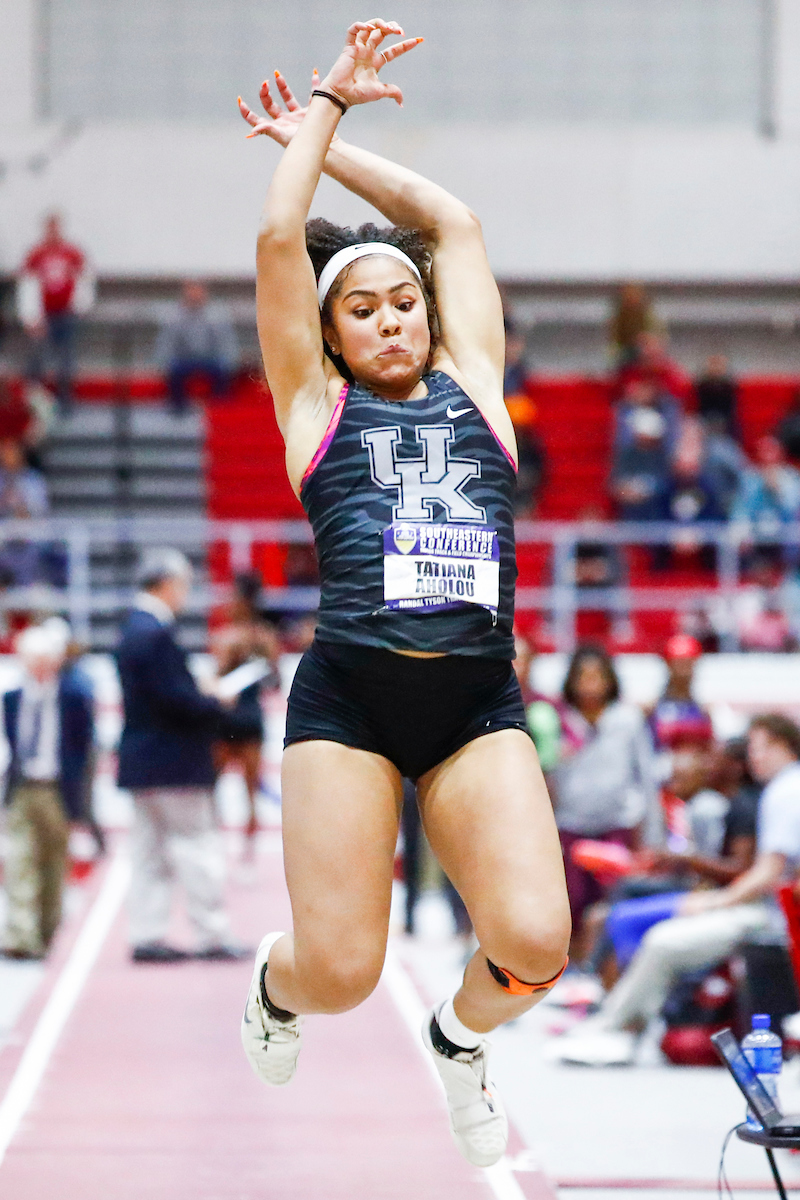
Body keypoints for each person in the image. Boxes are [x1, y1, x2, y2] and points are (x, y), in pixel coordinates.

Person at [236, 21, 570, 1169]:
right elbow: (281, 235)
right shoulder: (312, 411)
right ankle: (275, 992)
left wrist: (336, 149)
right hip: (351, 705)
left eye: (401, 299)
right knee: (339, 975)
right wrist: (322, 105)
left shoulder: (476, 387)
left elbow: (456, 225)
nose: (388, 317)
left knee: (535, 941)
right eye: (361, 309)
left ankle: (458, 1037)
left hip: (475, 700)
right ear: (326, 336)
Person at [553, 713, 800, 1066]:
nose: (754, 758)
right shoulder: (779, 790)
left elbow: (767, 873)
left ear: (785, 746)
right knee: (629, 914)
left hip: (770, 917)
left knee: (663, 941)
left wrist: (716, 902)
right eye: (751, 750)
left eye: (761, 749)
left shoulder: (785, 791)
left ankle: (616, 1029)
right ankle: (615, 1020)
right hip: (767, 908)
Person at [116, 548, 246, 963]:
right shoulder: (154, 632)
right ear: (168, 584)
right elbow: (174, 700)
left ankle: (147, 933)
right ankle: (210, 932)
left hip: (144, 759)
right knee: (195, 847)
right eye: (184, 585)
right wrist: (215, 702)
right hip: (173, 760)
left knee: (149, 851)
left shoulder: (133, 628)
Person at [551, 646, 659, 958]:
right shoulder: (560, 720)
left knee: (611, 899)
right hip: (571, 823)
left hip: (617, 822)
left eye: (597, 676)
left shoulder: (627, 719)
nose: (590, 684)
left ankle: (600, 966)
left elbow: (646, 774)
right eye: (583, 677)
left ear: (610, 680)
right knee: (570, 898)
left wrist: (652, 833)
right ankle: (567, 963)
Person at [1, 623, 94, 959]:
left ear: (55, 662)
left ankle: (46, 929)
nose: (38, 667)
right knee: (19, 860)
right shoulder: (11, 700)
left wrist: (82, 802)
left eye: (44, 659)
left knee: (54, 863)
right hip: (24, 787)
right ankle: (19, 935)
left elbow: (85, 752)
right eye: (32, 660)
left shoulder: (73, 698)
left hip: (57, 790)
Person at [211, 570, 281, 840]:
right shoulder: (226, 637)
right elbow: (218, 682)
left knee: (251, 791)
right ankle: (216, 840)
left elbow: (274, 683)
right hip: (227, 717)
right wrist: (232, 659)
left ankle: (247, 852)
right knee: (213, 784)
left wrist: (263, 659)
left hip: (249, 717)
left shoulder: (263, 636)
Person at [19, 214, 92, 413]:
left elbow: (84, 280)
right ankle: (33, 403)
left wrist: (81, 307)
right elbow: (27, 286)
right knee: (37, 358)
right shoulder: (36, 254)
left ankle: (65, 402)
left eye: (56, 227)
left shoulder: (72, 252)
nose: (53, 231)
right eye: (50, 227)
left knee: (66, 359)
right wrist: (31, 317)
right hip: (43, 316)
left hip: (66, 314)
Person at [155, 280, 239, 413]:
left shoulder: (217, 315)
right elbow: (167, 342)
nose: (195, 296)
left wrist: (230, 362)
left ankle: (219, 410)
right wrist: (163, 362)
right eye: (191, 292)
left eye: (198, 292)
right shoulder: (174, 316)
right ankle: (178, 412)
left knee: (222, 372)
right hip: (184, 360)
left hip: (211, 360)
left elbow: (226, 341)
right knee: (174, 372)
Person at [648, 634, 713, 754]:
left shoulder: (704, 711)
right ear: (668, 665)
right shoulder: (652, 709)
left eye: (689, 664)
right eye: (679, 664)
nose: (684, 671)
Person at [0, 437, 49, 586]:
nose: (7, 456)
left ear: (21, 454)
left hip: (28, 540)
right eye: (4, 452)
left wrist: (22, 509)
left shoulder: (34, 481)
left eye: (12, 452)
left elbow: (40, 512)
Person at [695, 354, 739, 440]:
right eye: (713, 364)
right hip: (705, 422)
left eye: (719, 365)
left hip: (726, 424)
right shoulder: (702, 386)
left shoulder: (729, 386)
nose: (716, 368)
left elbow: (730, 412)